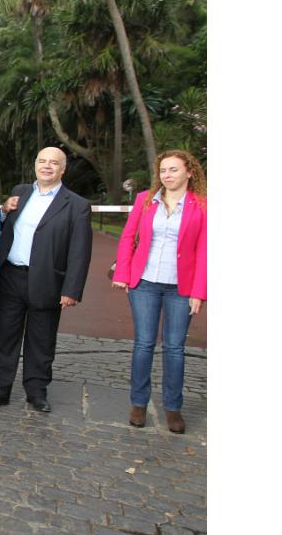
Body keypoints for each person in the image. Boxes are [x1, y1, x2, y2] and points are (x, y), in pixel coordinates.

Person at [0, 147, 93, 415]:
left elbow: (80, 251)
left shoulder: (76, 205)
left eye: (54, 163)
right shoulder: (20, 192)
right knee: (5, 337)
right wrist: (4, 210)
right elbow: (1, 226)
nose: (47, 166)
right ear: (35, 165)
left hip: (48, 281)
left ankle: (36, 392)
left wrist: (72, 290)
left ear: (63, 169)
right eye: (42, 161)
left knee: (41, 340)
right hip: (11, 277)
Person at [113, 149, 206, 434]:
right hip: (145, 284)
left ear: (189, 171)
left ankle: (172, 407)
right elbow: (128, 237)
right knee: (143, 344)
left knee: (175, 348)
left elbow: (206, 250)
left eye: (173, 170)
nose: (167, 175)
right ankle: (138, 403)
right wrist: (123, 275)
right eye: (163, 170)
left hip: (182, 286)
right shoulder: (144, 200)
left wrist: (199, 292)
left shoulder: (202, 204)